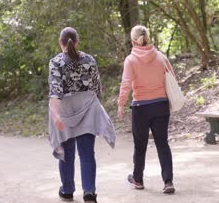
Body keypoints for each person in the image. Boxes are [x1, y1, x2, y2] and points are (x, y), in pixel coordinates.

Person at [48, 27, 116, 203]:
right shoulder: (89, 60)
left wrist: (56, 115)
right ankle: (89, 193)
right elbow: (96, 87)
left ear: (60, 42)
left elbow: (55, 92)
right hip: (87, 108)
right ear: (77, 42)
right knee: (86, 153)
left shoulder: (55, 62)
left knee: (66, 153)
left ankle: (68, 191)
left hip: (65, 110)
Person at [117, 25, 176, 194]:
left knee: (140, 145)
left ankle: (138, 179)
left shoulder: (131, 59)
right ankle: (168, 181)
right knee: (162, 144)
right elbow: (172, 78)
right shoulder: (161, 57)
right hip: (161, 106)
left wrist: (121, 104)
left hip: (141, 107)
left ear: (133, 40)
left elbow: (126, 84)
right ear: (148, 38)